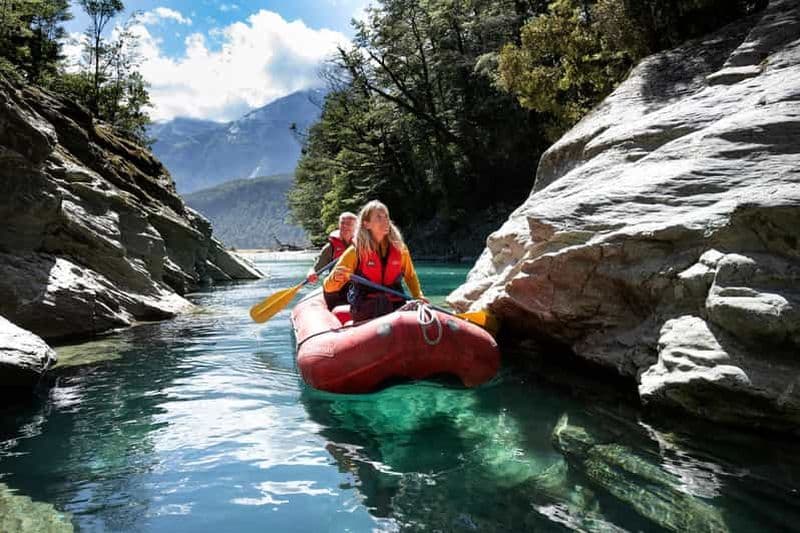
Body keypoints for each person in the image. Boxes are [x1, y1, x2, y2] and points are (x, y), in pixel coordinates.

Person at [323, 200, 425, 323]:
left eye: (386, 216)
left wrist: (418, 296)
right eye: (379, 217)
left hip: (396, 306)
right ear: (366, 224)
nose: (385, 220)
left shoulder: (400, 249)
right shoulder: (355, 252)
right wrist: (335, 278)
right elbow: (328, 287)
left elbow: (410, 276)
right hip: (366, 309)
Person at [307, 212, 357, 308]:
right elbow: (316, 267)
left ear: (356, 227)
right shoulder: (331, 247)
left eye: (349, 224)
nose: (345, 226)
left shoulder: (363, 246)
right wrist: (311, 273)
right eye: (342, 223)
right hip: (336, 287)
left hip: (355, 286)